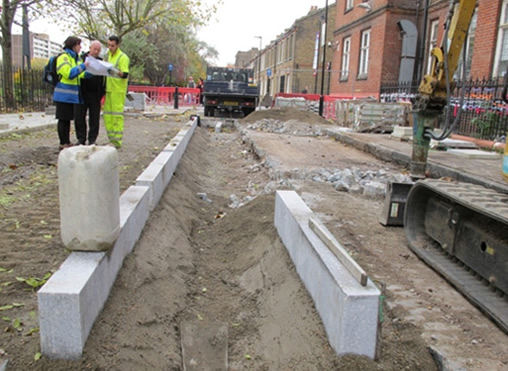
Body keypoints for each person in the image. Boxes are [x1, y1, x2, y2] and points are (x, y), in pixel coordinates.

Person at [53, 36, 88, 150]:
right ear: (73, 45)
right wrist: (83, 66)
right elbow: (69, 73)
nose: (80, 47)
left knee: (67, 118)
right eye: (79, 45)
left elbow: (79, 74)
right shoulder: (64, 57)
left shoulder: (75, 59)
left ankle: (66, 141)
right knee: (63, 119)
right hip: (63, 93)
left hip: (71, 95)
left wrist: (90, 72)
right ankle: (63, 142)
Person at [75, 40, 105, 145]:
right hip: (82, 92)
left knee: (94, 118)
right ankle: (81, 138)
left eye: (98, 50)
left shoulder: (101, 62)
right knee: (79, 116)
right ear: (90, 48)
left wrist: (102, 91)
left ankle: (92, 139)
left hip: (95, 94)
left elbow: (103, 78)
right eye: (94, 49)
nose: (96, 52)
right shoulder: (81, 59)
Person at [104, 35, 130, 148]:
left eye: (112, 45)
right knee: (108, 115)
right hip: (109, 89)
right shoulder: (107, 55)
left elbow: (124, 74)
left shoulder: (123, 57)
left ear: (118, 45)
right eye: (109, 45)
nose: (110, 47)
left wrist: (113, 70)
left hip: (118, 90)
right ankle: (111, 139)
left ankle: (116, 142)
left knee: (117, 115)